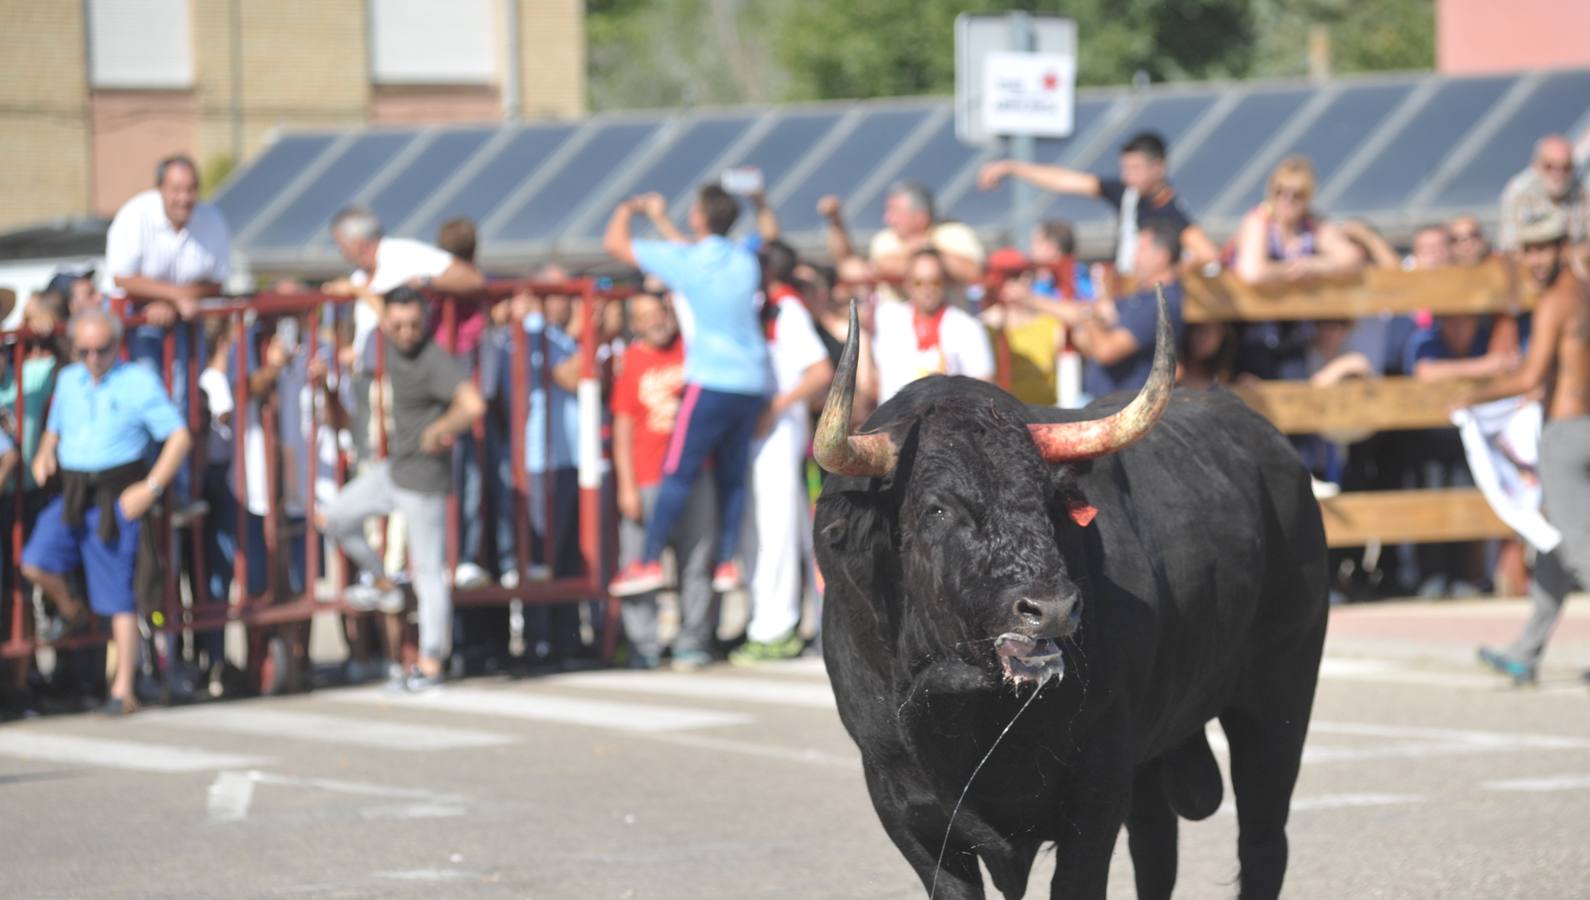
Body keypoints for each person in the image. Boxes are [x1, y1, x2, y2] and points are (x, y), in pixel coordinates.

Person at [20, 308, 193, 715]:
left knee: (119, 597)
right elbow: (54, 428)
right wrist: (45, 453)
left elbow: (179, 436)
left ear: (117, 345)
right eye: (85, 350)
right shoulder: (68, 379)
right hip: (74, 493)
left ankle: (123, 690)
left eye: (103, 349)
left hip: (116, 496)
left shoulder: (137, 381)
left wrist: (150, 489)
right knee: (34, 561)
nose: (94, 358)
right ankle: (73, 610)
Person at [603, 184, 771, 599]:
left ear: (699, 218)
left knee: (677, 471)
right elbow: (768, 230)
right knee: (732, 477)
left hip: (711, 379)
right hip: (751, 380)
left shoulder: (690, 262)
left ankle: (647, 560)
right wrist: (759, 200)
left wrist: (629, 207)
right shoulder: (742, 256)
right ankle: (726, 561)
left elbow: (615, 244)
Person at [318, 287, 485, 691]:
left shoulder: (433, 360)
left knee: (429, 572)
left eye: (414, 324)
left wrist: (442, 429)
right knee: (333, 517)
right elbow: (380, 306)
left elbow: (473, 405)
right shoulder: (388, 334)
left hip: (424, 479)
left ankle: (430, 662)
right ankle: (383, 581)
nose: (407, 332)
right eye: (399, 325)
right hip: (393, 470)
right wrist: (356, 289)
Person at [1464, 210, 1590, 684]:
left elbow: (1529, 376)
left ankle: (1526, 650)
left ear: (1561, 248)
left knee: (1578, 550)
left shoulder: (1554, 301)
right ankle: (1526, 650)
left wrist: (1468, 399)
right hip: (1582, 427)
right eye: (1529, 249)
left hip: (1566, 435)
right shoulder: (1583, 290)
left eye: (1545, 249)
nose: (1537, 259)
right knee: (1553, 547)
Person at [102, 154, 230, 514]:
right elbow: (122, 279)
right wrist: (171, 296)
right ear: (160, 189)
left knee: (183, 403)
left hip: (182, 323)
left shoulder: (211, 220)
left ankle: (177, 490)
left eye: (191, 190)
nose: (184, 198)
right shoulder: (135, 216)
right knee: (147, 400)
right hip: (135, 322)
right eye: (176, 189)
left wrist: (173, 303)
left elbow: (217, 279)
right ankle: (148, 486)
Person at [732, 246, 833, 665]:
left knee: (776, 531)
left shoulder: (786, 310)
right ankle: (761, 619)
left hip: (777, 435)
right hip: (754, 436)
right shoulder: (754, 307)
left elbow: (820, 370)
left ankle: (778, 626)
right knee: (754, 532)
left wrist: (776, 407)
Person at [323, 206, 485, 465]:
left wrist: (427, 284)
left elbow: (472, 279)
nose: (340, 252)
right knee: (370, 463)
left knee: (405, 463)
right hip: (369, 384)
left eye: (341, 245)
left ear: (358, 242)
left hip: (402, 385)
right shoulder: (359, 275)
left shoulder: (403, 254)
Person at [611, 293, 719, 670]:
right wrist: (626, 484)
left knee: (697, 560)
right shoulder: (632, 361)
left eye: (661, 313)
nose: (656, 321)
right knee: (641, 564)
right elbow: (622, 426)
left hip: (694, 474)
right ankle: (644, 644)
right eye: (646, 316)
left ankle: (693, 641)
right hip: (647, 477)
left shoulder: (693, 352)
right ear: (635, 325)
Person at [977, 131, 1219, 273]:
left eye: (1134, 168)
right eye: (1124, 168)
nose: (1127, 176)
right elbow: (1066, 181)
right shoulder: (1127, 193)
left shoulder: (1169, 211)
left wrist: (1167, 273)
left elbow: (1207, 254)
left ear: (1158, 168)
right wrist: (1012, 168)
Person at [872, 248, 995, 405]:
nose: (927, 289)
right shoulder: (886, 319)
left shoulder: (968, 327)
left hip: (948, 422)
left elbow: (984, 386)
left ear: (945, 283)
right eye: (918, 282)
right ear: (907, 284)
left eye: (935, 282)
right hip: (891, 422)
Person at [818, 184, 986, 286]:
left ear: (920, 216)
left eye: (895, 211)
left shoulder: (954, 233)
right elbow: (866, 267)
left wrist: (922, 250)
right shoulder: (885, 240)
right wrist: (836, 222)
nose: (888, 219)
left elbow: (972, 271)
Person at [1498, 135, 1589, 263]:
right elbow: (1509, 248)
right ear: (1536, 166)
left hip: (1571, 268)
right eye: (1550, 166)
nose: (1558, 173)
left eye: (1566, 167)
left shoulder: (1582, 192)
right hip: (1533, 270)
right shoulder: (1518, 192)